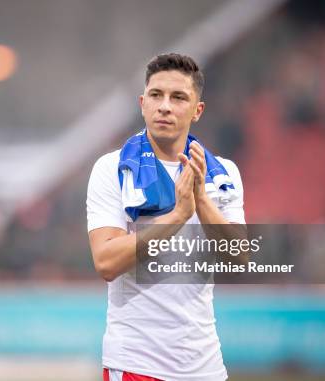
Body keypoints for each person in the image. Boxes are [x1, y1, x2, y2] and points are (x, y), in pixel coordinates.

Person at [86, 53, 246, 381]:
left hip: (206, 368)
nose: (165, 106)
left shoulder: (223, 174)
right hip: (137, 364)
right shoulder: (112, 169)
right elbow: (106, 262)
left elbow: (239, 259)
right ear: (143, 103)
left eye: (178, 97)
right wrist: (176, 216)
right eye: (156, 95)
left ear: (197, 110)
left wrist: (201, 200)